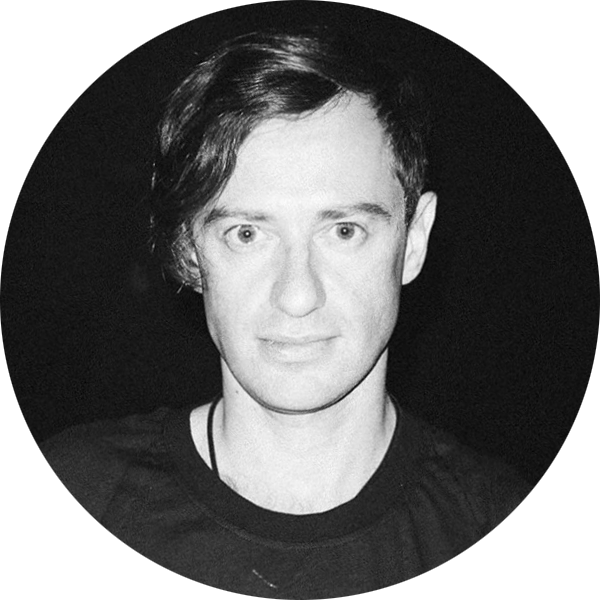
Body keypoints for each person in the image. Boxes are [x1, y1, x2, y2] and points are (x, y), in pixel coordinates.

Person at [0, 29, 596, 599]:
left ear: (413, 240)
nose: (297, 294)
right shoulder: (44, 521)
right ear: (189, 251)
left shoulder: (520, 556)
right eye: (246, 234)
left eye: (344, 231)